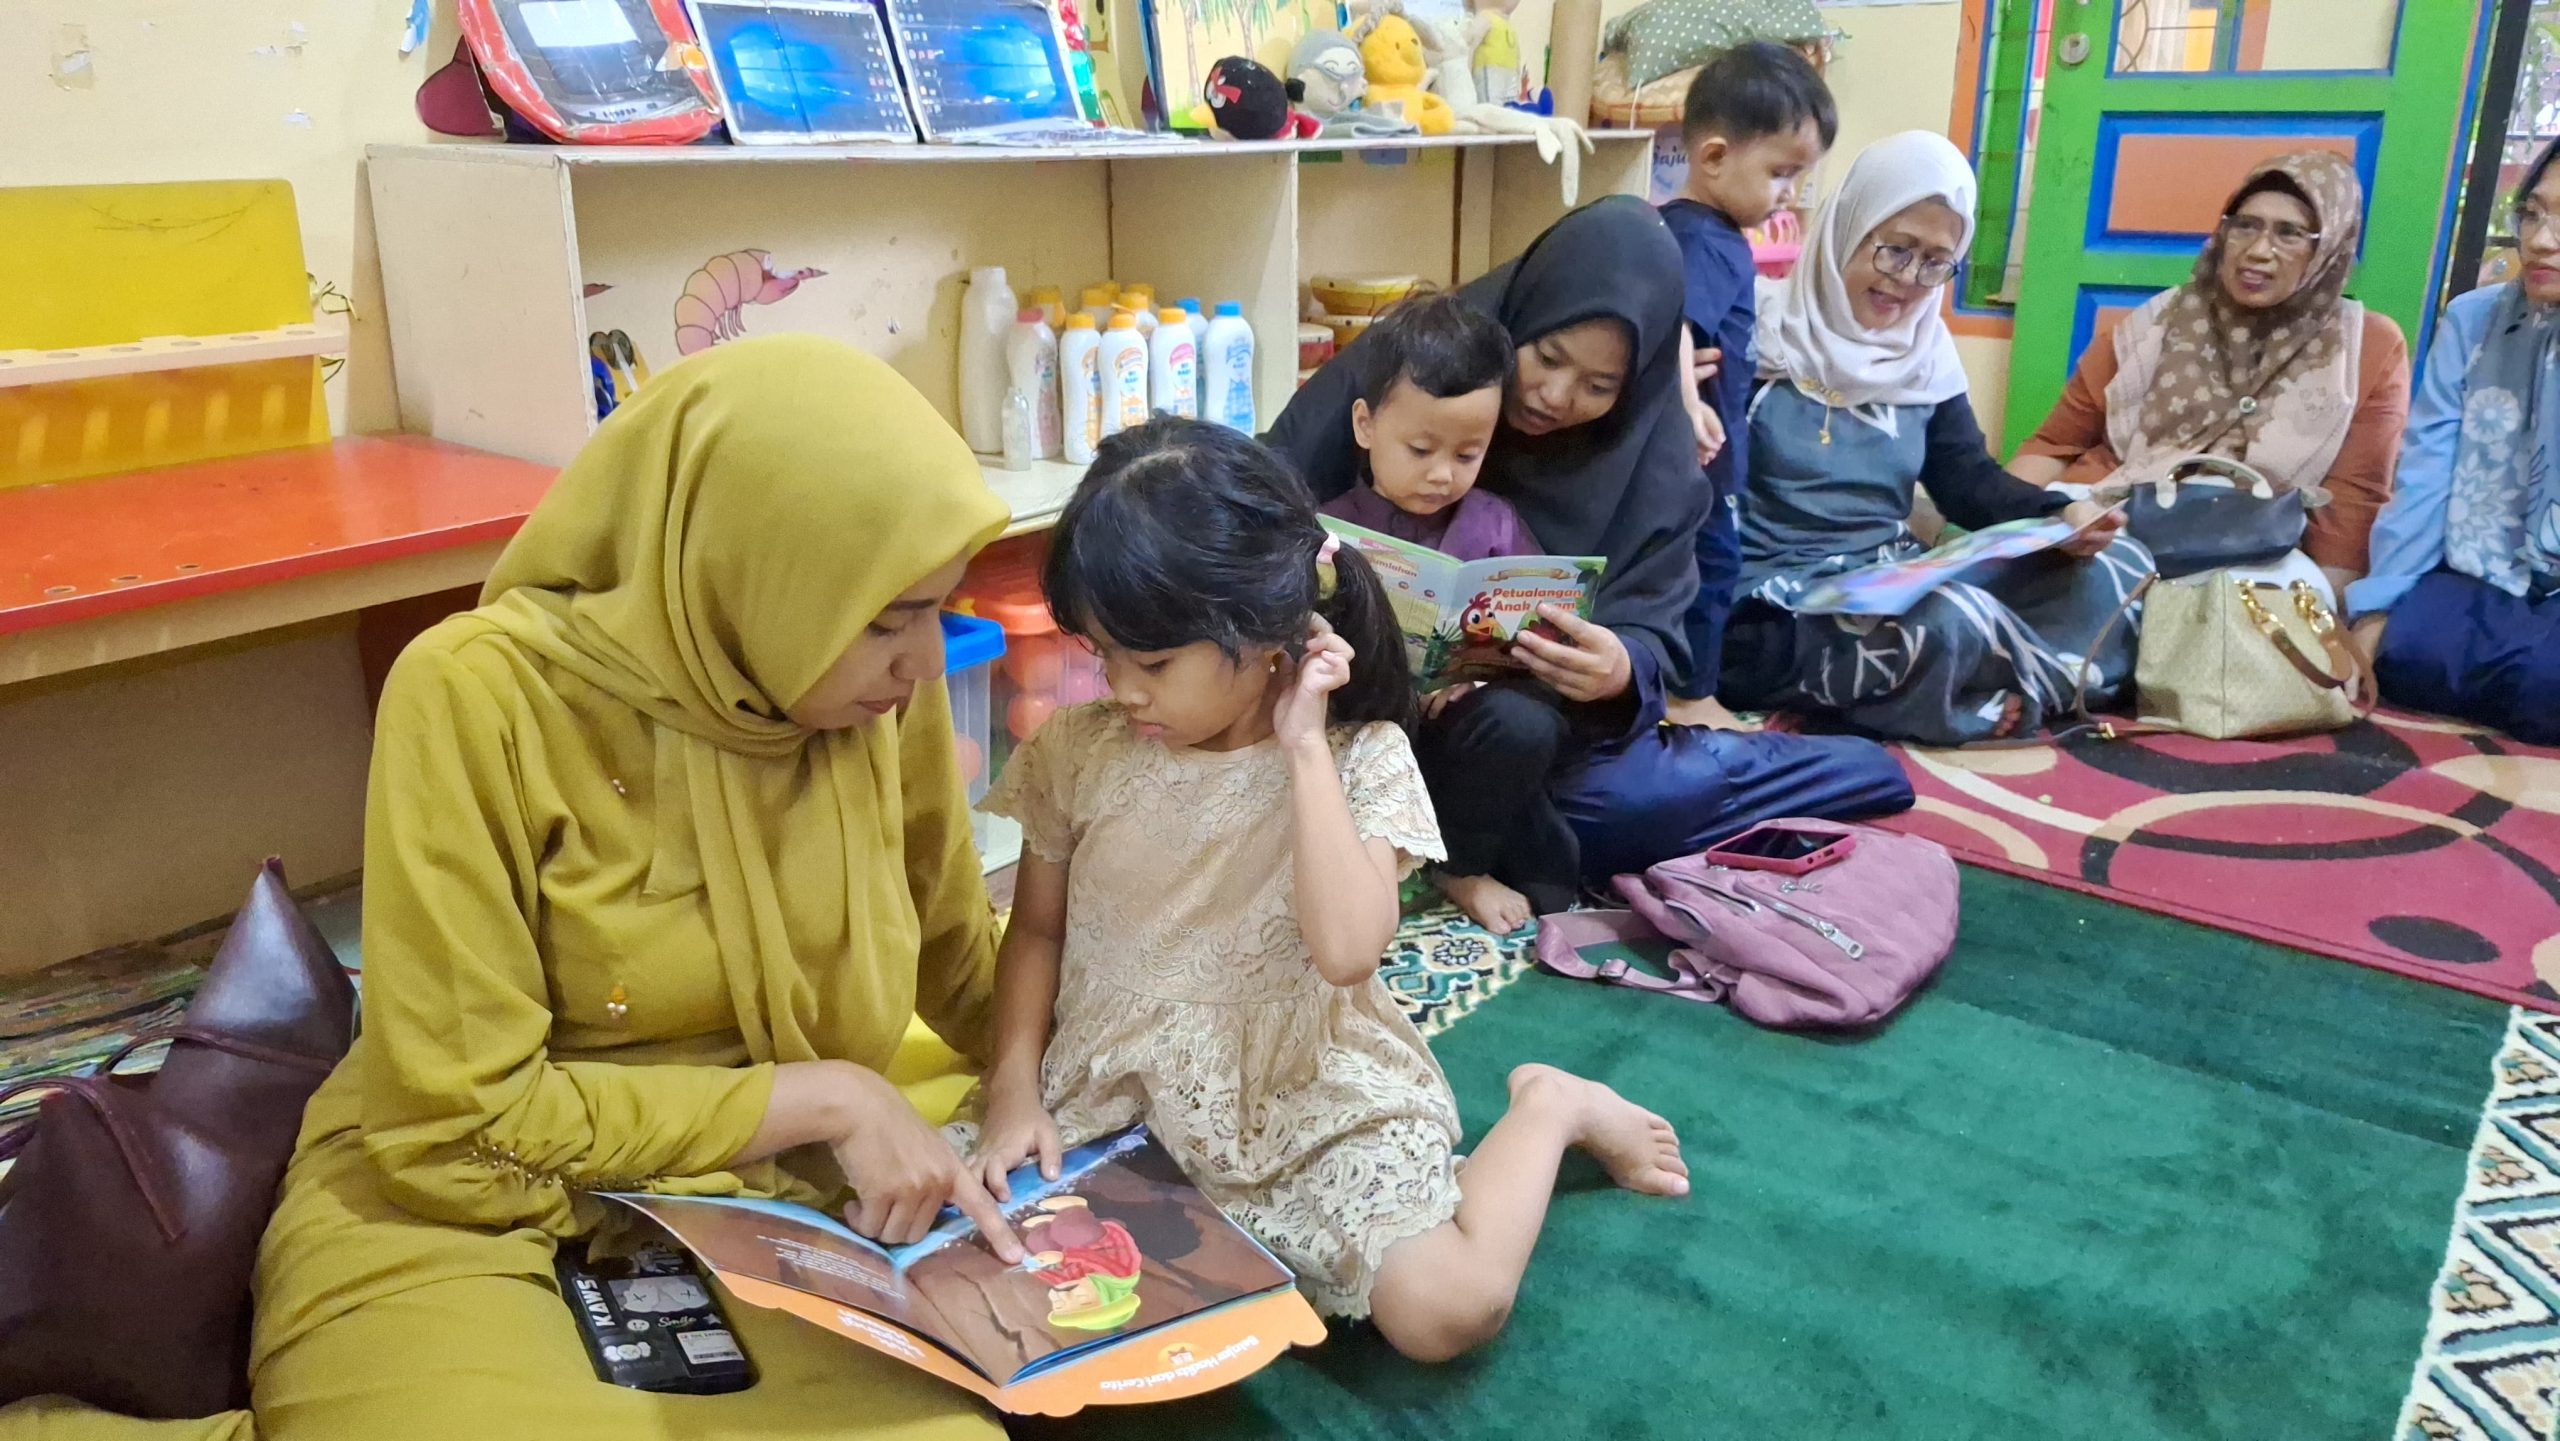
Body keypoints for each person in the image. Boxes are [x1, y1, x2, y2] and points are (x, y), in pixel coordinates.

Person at [10, 338, 1031, 1441]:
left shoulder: (872, 699)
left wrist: (1056, 1078)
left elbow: (958, 956)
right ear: (743, 571)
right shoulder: (479, 696)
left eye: (935, 608)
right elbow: (458, 1127)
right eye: (883, 618)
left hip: (764, 1203)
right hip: (472, 1200)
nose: (923, 660)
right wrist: (827, 1098)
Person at [960, 418, 1690, 1363]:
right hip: (1113, 1090)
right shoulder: (1077, 748)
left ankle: (1550, 1105)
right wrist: (1014, 1090)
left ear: (1269, 635)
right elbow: (1035, 934)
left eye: (1155, 662)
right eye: (1105, 656)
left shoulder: (1357, 759)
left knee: (1447, 1307)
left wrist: (1303, 745)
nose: (1124, 690)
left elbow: (1347, 952)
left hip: (1299, 1099)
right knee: (960, 1249)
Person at [1269, 197, 1914, 934]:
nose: (1554, 396)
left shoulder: (1655, 462)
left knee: (1626, 810)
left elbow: (1655, 628)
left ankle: (1840, 765)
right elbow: (1265, 488)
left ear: (1635, 384)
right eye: (1545, 357)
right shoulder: (1425, 365)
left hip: (1536, 735)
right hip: (1364, 710)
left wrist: (1617, 667)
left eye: (1600, 386)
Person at [1718, 131, 2148, 745]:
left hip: (1887, 576)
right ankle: (1947, 694)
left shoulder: (1923, 354)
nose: (1909, 279)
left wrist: (2061, 516)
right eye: (1895, 250)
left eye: (1935, 262)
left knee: (2116, 571)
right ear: (1848, 228)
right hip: (1771, 601)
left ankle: (1930, 689)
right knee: (1945, 623)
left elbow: (1967, 483)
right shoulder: (1757, 333)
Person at [2010, 151, 2411, 599]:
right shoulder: (2158, 323)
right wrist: (1993, 532)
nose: (2258, 251)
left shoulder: (2364, 348)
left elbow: (2353, 504)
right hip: (2109, 523)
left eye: (2290, 233)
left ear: (2330, 247)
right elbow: (2054, 444)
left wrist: (2323, 619)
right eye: (2245, 226)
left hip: (2255, 553)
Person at [2347, 138, 2560, 743]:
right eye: (2533, 214)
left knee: (2544, 681)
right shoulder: (2475, 320)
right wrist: (2378, 607)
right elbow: (2427, 471)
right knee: (2407, 649)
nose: (2540, 240)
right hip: (2489, 572)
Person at [1659, 40, 1837, 730]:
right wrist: (1688, 406)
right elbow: (1675, 323)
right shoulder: (1706, 239)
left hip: (1701, 451)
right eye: (1780, 172)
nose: (1789, 192)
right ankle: (1690, 697)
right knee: (1710, 567)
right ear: (1713, 156)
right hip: (1698, 458)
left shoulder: (1698, 230)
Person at [1318, 289, 1532, 559]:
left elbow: (1541, 581)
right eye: (1420, 450)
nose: (1442, 475)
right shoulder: (1329, 530)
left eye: (1466, 455)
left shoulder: (1497, 525)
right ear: (1365, 425)